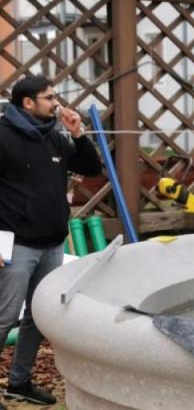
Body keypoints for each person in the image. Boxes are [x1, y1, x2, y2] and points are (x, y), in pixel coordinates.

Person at [0, 75, 101, 407]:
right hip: (15, 244)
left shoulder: (54, 139)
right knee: (5, 317)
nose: (57, 103)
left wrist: (77, 132)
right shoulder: (3, 136)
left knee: (38, 317)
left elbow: (90, 167)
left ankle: (20, 382)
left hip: (52, 243)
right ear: (28, 102)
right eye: (49, 98)